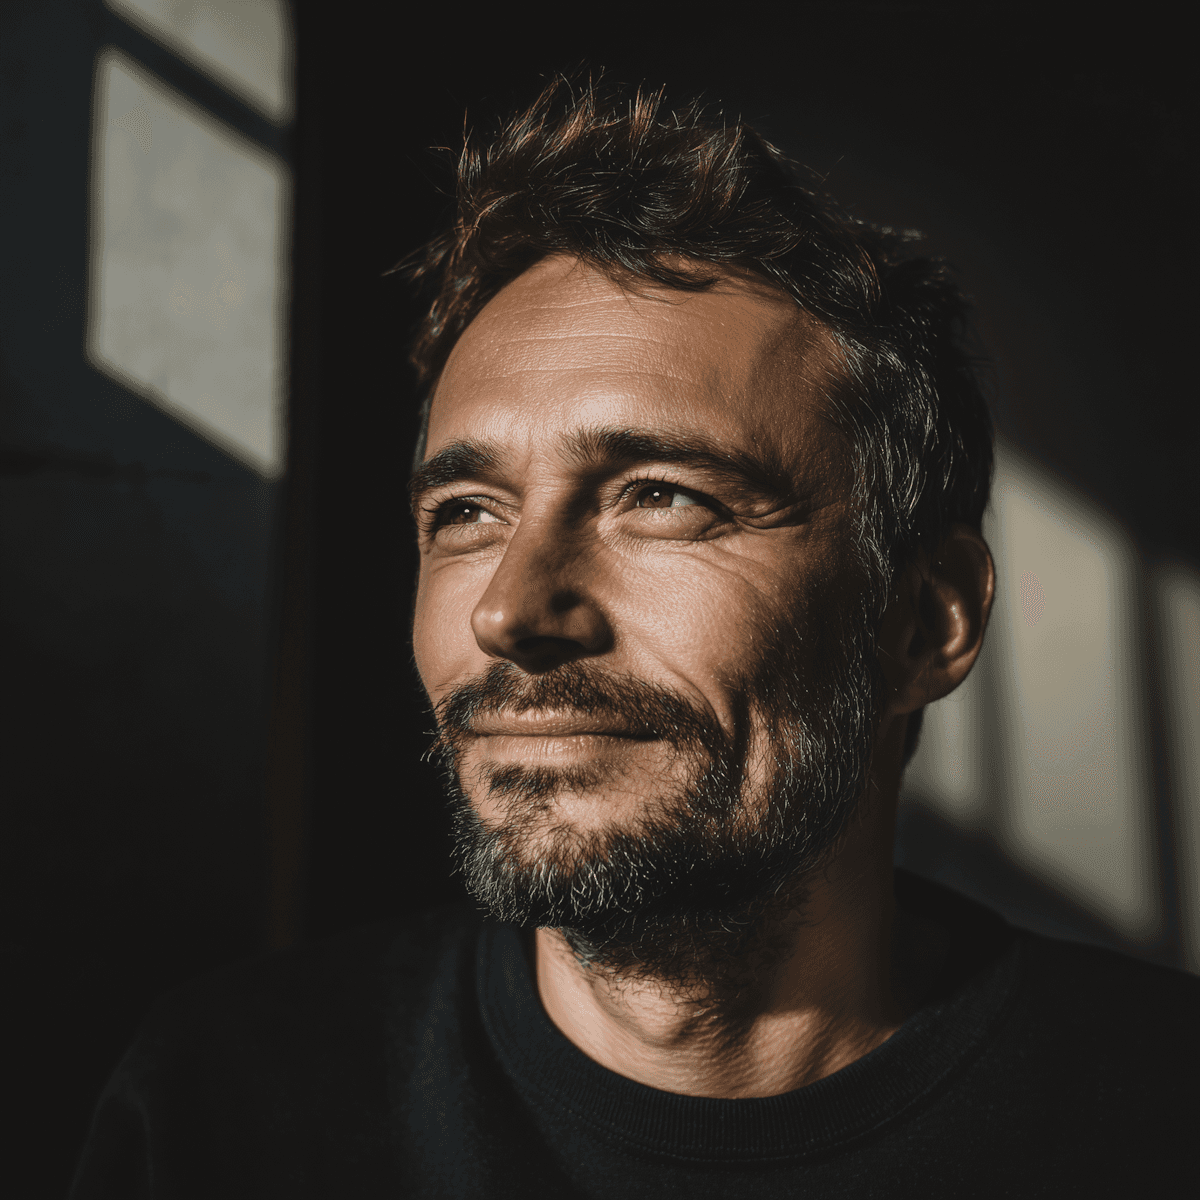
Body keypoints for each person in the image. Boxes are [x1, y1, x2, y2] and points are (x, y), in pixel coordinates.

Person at [71, 78, 1196, 1198]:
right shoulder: (226, 1109)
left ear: (926, 619)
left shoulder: (1158, 1117)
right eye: (467, 515)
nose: (507, 612)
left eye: (663, 497)